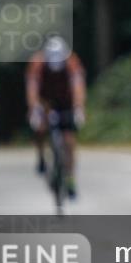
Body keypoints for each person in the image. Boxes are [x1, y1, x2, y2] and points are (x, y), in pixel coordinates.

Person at [26, 36, 86, 197]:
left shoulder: (72, 62)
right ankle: (41, 158)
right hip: (46, 101)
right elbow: (32, 87)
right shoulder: (37, 63)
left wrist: (79, 108)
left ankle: (70, 177)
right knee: (40, 127)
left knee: (69, 140)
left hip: (66, 102)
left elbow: (78, 86)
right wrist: (34, 109)